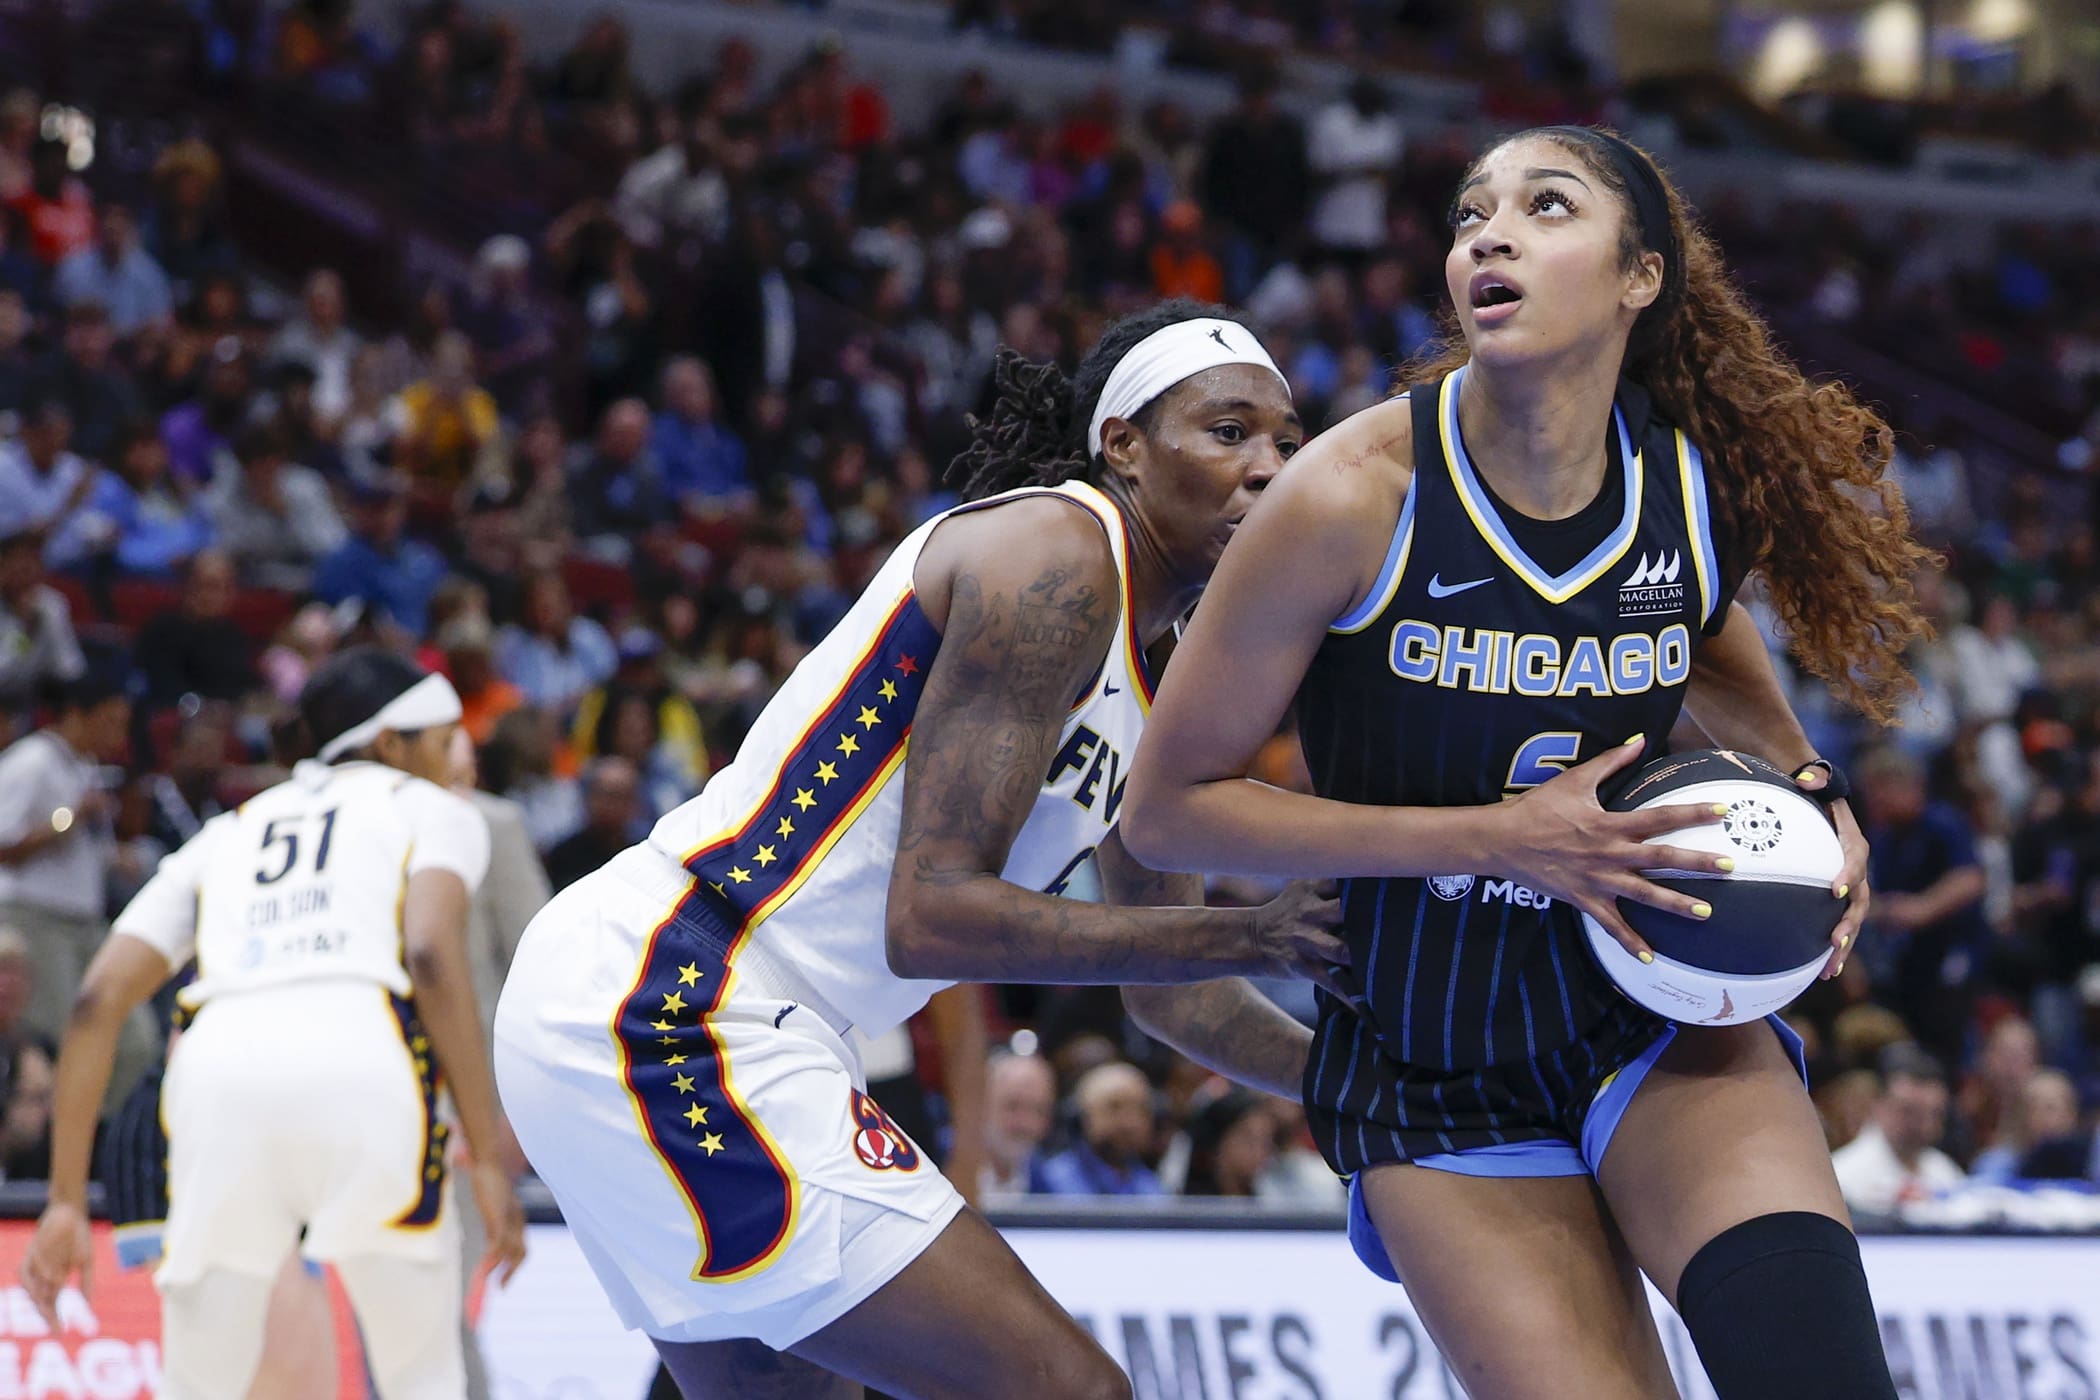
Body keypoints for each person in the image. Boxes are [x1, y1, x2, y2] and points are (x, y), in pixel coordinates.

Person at [1123, 128, 1933, 1399]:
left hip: (1657, 1013)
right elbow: (1167, 812)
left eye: (1543, 207)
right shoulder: (1349, 498)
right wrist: (1499, 838)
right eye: (1469, 214)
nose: (1487, 234)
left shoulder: (1689, 485)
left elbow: (1703, 643)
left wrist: (1810, 797)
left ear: (1639, 278)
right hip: (1435, 1059)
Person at [494, 299, 1347, 1399]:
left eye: (1285, 438)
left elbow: (1168, 993)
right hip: (682, 993)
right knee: (1070, 1389)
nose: (1270, 466)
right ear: (1123, 446)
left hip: (716, 1009)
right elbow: (933, 912)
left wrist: (1346, 1079)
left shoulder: (1163, 664)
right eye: (1227, 432)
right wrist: (1253, 930)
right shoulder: (1060, 552)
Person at [21, 648, 527, 1399]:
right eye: (445, 735)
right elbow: (428, 951)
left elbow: (96, 1001)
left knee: (203, 1382)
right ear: (391, 743)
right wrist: (487, 1153)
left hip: (218, 1081)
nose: (460, 754)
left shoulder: (230, 829)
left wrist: (66, 1199)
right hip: (365, 1069)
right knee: (423, 1378)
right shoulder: (433, 810)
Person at [1831, 1044, 1965, 1214]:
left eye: (1932, 1113)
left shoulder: (1945, 1172)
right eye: (1909, 1111)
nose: (1921, 1124)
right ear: (1878, 1105)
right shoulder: (1843, 1175)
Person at [1039, 1061, 1165, 1198]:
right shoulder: (1049, 1181)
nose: (1130, 1123)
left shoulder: (1153, 1186)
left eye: (1141, 1109)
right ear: (1081, 1117)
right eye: (1114, 1107)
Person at [980, 1049, 1055, 1202]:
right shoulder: (938, 1168)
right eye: (1012, 1106)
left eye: (1039, 1110)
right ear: (982, 1106)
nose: (1025, 1123)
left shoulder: (1052, 1186)